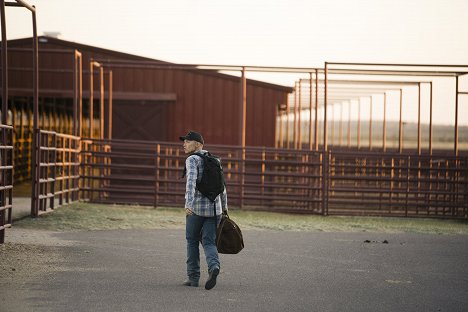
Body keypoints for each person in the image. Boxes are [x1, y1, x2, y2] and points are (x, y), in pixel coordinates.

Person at [179, 130, 228, 290]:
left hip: (197, 210)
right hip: (215, 210)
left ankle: (193, 278)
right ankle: (214, 267)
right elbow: (223, 187)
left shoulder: (192, 159)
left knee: (192, 240)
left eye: (187, 141)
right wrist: (225, 208)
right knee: (208, 241)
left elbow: (191, 182)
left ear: (198, 144)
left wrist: (188, 203)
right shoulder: (215, 159)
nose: (184, 144)